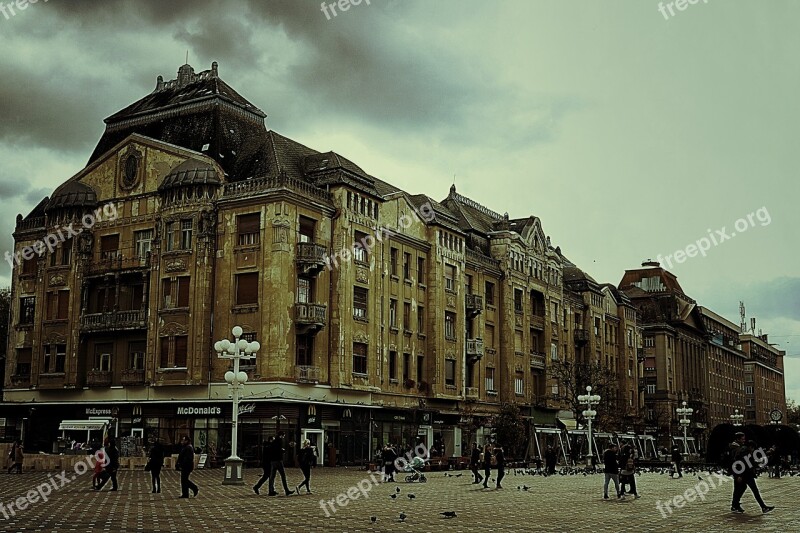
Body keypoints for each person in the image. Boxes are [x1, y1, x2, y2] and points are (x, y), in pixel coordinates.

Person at [730, 435, 774, 514]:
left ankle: (735, 505)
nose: (753, 450)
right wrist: (739, 475)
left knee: (740, 489)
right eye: (753, 448)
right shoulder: (744, 452)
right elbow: (742, 464)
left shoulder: (744, 451)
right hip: (746, 475)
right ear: (750, 447)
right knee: (754, 490)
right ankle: (763, 507)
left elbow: (748, 463)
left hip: (744, 474)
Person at [268, 431, 294, 496]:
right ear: (281, 435)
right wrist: (283, 450)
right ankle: (286, 490)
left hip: (273, 461)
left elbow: (272, 450)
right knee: (283, 476)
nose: (283, 437)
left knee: (272, 476)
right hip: (278, 460)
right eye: (283, 436)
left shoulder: (273, 442)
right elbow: (279, 450)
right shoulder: (279, 441)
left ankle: (270, 490)